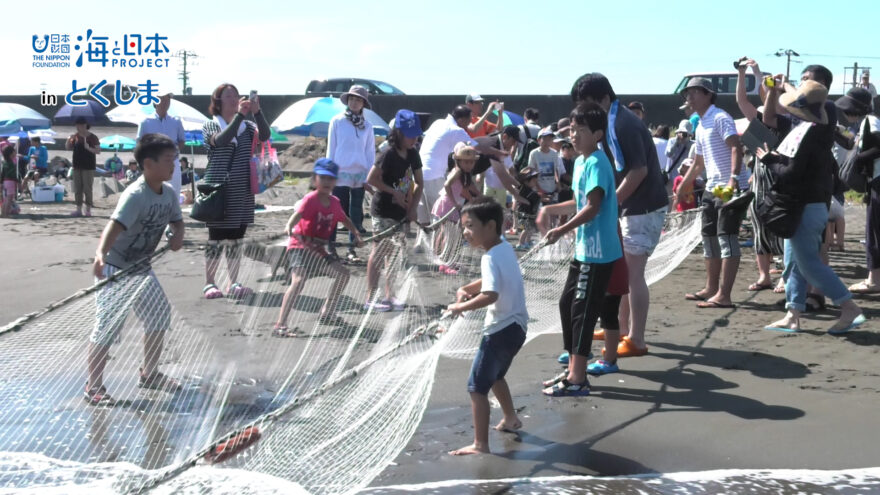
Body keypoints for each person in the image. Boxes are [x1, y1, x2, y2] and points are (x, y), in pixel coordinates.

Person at [570, 73, 668, 358]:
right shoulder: (614, 121)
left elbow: (639, 171)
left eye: (587, 105)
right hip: (631, 207)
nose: (585, 114)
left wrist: (610, 205)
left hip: (644, 207)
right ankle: (620, 328)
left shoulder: (624, 123)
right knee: (623, 271)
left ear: (603, 99)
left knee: (634, 274)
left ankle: (636, 338)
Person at [756, 81, 865, 334]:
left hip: (803, 207)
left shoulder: (807, 134)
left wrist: (769, 159)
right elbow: (823, 102)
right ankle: (793, 314)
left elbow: (791, 173)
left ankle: (849, 307)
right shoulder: (823, 127)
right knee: (795, 262)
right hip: (813, 206)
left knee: (809, 264)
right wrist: (787, 86)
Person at [84, 134, 185, 406]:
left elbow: (177, 222)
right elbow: (113, 227)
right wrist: (100, 255)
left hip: (142, 268)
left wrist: (178, 235)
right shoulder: (135, 195)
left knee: (158, 314)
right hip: (116, 269)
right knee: (108, 326)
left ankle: (149, 373)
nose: (173, 166)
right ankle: (93, 385)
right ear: (148, 163)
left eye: (174, 160)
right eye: (167, 161)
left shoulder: (170, 194)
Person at [539, 101, 623, 394]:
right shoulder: (579, 163)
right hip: (583, 249)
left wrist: (561, 228)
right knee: (567, 304)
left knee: (584, 311)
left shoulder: (598, 163)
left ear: (597, 134)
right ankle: (572, 366)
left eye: (581, 130)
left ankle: (577, 378)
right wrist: (550, 210)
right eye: (572, 130)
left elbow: (593, 206)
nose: (573, 135)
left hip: (599, 253)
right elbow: (577, 202)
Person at [447, 198, 527, 456]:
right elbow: (494, 280)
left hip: (499, 330)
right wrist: (466, 289)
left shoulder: (490, 257)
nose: (465, 232)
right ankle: (511, 418)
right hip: (517, 327)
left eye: (470, 226)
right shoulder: (504, 247)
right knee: (496, 376)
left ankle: (480, 444)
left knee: (477, 387)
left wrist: (460, 307)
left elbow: (491, 294)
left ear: (491, 226)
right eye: (463, 226)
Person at [675, 77, 747, 310]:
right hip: (711, 187)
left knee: (727, 238)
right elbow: (698, 163)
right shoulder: (700, 123)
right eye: (688, 94)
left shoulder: (720, 117)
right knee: (709, 238)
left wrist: (733, 179)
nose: (689, 98)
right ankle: (711, 288)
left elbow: (736, 146)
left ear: (708, 94)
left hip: (728, 188)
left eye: (694, 92)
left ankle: (724, 295)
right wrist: (683, 187)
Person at [273, 158, 363, 336]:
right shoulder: (310, 199)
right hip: (299, 245)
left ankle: (327, 312)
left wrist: (356, 234)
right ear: (315, 179)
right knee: (299, 281)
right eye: (323, 178)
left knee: (343, 275)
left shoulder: (335, 203)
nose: (327, 182)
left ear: (336, 181)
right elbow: (297, 215)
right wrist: (289, 227)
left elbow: (344, 219)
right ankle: (280, 325)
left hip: (318, 249)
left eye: (331, 179)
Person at [200, 83, 270, 300]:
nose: (233, 99)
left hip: (244, 188)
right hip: (219, 189)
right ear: (217, 101)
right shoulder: (211, 125)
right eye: (227, 96)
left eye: (235, 95)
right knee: (216, 237)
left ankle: (233, 281)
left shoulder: (248, 127)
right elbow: (220, 141)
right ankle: (209, 282)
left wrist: (257, 112)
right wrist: (241, 115)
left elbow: (265, 136)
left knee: (236, 237)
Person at [365, 110, 424, 312]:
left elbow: (420, 183)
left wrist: (413, 208)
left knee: (396, 254)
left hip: (401, 213)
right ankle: (370, 297)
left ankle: (390, 295)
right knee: (380, 252)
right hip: (383, 210)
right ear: (398, 132)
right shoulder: (388, 154)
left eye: (416, 134)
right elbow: (371, 179)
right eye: (409, 134)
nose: (414, 138)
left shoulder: (413, 154)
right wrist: (393, 192)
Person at [735, 59, 786, 293]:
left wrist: (758, 76)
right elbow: (742, 100)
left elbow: (767, 98)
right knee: (759, 230)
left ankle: (786, 275)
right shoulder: (758, 120)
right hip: (759, 182)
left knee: (782, 231)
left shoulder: (787, 120)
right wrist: (745, 73)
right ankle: (764, 276)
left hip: (780, 181)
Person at [835, 88, 880, 294]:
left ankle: (874, 280)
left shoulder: (871, 120)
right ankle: (874, 278)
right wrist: (836, 132)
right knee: (873, 229)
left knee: (874, 230)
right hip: (874, 181)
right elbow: (851, 143)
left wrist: (858, 159)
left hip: (878, 181)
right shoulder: (865, 122)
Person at [327, 85, 376, 263]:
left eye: (358, 100)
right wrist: (329, 172)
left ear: (363, 103)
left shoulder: (368, 126)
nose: (354, 103)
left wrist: (370, 176)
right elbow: (331, 148)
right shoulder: (337, 121)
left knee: (356, 213)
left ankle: (351, 249)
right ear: (347, 101)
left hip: (360, 174)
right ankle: (331, 248)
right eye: (352, 99)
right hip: (340, 172)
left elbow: (370, 152)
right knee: (336, 210)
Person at [417, 105, 477, 225]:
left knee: (424, 221)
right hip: (434, 176)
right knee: (440, 220)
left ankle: (423, 244)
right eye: (468, 121)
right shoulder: (456, 130)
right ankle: (438, 244)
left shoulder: (438, 122)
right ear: (461, 120)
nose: (468, 126)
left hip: (419, 174)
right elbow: (476, 147)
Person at [432, 145, 481, 274]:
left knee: (448, 234)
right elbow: (447, 185)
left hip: (450, 205)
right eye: (466, 162)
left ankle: (445, 260)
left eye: (471, 162)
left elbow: (468, 186)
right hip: (448, 205)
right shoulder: (458, 171)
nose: (469, 165)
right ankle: (445, 264)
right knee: (451, 236)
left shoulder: (464, 173)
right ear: (458, 161)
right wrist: (454, 202)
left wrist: (479, 195)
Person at [137, 93, 186, 199]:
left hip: (172, 162)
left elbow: (182, 140)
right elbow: (139, 143)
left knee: (174, 192)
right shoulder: (145, 122)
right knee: (153, 193)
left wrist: (175, 151)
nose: (165, 103)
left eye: (167, 100)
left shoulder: (176, 121)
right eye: (162, 100)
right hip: (153, 162)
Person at [65, 116, 100, 217]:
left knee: (87, 188)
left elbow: (98, 151)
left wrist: (89, 148)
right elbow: (68, 148)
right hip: (77, 165)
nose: (78, 127)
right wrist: (68, 140)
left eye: (80, 125)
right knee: (78, 188)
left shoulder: (92, 137)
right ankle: (78, 209)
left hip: (88, 166)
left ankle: (88, 209)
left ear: (85, 125)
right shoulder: (75, 137)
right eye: (77, 125)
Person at [528, 127, 566, 203]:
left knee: (553, 213)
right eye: (544, 139)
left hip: (552, 190)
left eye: (549, 139)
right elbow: (531, 172)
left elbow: (556, 170)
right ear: (539, 140)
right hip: (539, 191)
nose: (547, 142)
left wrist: (558, 184)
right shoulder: (534, 154)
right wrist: (539, 190)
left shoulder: (554, 153)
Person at [514, 167, 540, 249]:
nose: (536, 182)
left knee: (531, 228)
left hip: (531, 212)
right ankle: (520, 243)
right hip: (525, 213)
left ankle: (528, 241)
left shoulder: (530, 189)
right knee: (526, 228)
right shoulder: (524, 189)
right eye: (534, 180)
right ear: (526, 181)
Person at [664, 120, 694, 190]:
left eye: (685, 134)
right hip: (671, 178)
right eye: (681, 133)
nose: (683, 135)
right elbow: (668, 154)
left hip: (686, 178)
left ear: (689, 135)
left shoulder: (692, 144)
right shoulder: (672, 141)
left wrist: (686, 142)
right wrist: (676, 143)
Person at [1, 145, 18, 217]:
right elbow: (13, 175)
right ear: (11, 154)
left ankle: (3, 213)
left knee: (5, 199)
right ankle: (6, 214)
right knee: (9, 199)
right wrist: (17, 182)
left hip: (5, 182)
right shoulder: (12, 164)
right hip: (10, 182)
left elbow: (2, 174)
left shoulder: (4, 163)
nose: (15, 153)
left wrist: (1, 183)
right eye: (14, 152)